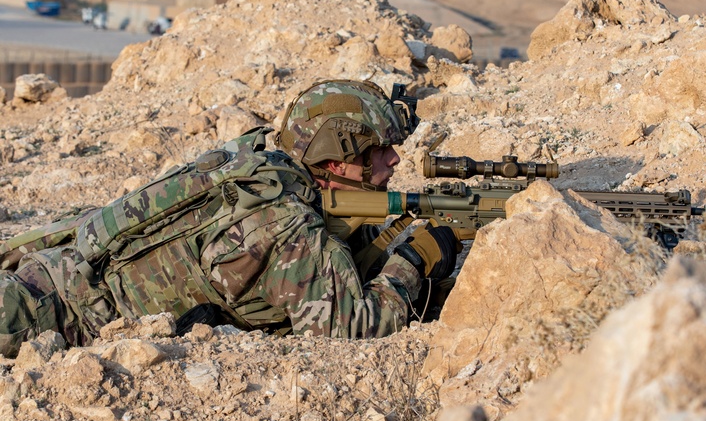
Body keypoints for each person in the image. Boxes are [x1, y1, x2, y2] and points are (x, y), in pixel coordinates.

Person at [0, 80, 461, 357]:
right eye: (380, 149)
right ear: (339, 159)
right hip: (53, 316)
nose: (396, 159)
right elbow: (350, 330)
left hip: (53, 262)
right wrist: (412, 262)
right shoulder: (291, 229)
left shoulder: (259, 159)